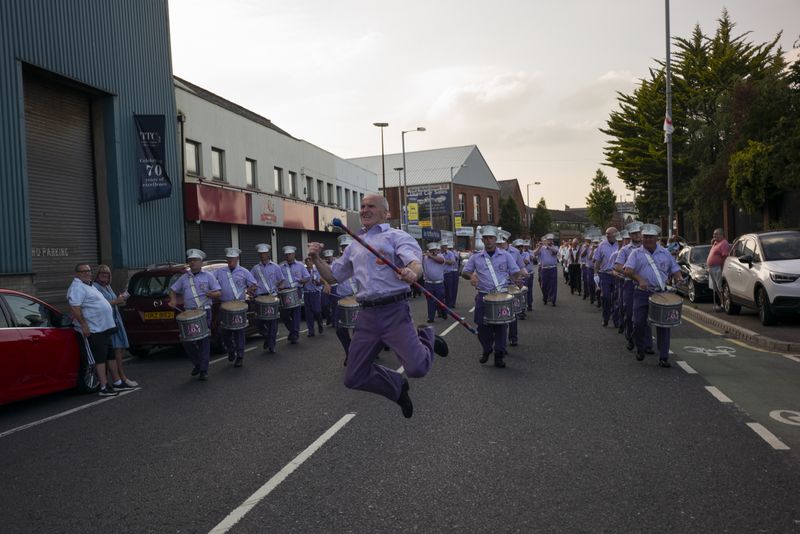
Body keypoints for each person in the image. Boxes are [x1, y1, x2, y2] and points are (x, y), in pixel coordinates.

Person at [307, 194, 448, 419]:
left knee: (417, 369)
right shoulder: (354, 244)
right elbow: (333, 277)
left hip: (395, 311)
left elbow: (414, 262)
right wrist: (316, 258)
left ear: (386, 213)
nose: (364, 210)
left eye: (371, 206)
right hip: (367, 315)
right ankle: (397, 386)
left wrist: (412, 272)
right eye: (362, 206)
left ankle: (427, 336)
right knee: (353, 377)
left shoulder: (396, 236)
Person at [461, 225, 523, 368]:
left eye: (491, 238)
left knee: (501, 327)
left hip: (501, 295)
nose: (488, 241)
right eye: (486, 238)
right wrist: (471, 276)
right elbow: (465, 272)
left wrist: (517, 279)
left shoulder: (505, 255)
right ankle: (487, 349)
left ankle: (499, 355)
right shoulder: (476, 257)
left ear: (495, 239)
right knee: (482, 327)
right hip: (483, 296)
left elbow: (515, 271)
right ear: (482, 240)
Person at [624, 224, 684, 367]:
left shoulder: (665, 253)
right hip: (642, 293)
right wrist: (639, 279)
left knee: (663, 325)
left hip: (661, 293)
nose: (647, 239)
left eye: (650, 237)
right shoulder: (636, 253)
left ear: (656, 238)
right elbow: (627, 270)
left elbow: (674, 268)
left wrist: (679, 278)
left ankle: (664, 357)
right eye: (645, 237)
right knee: (638, 323)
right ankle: (640, 348)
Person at [68, 263, 121, 396]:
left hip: (104, 327)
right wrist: (84, 324)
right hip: (95, 329)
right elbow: (75, 307)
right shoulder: (77, 287)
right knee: (100, 358)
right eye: (84, 271)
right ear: (77, 274)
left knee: (110, 355)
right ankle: (103, 387)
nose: (87, 273)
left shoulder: (88, 285)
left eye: (89, 270)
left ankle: (118, 382)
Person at [169, 249, 221, 380]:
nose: (192, 263)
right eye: (190, 260)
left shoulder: (208, 276)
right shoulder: (184, 278)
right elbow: (172, 290)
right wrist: (173, 299)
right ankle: (197, 363)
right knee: (187, 341)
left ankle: (203, 369)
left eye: (195, 260)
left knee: (203, 340)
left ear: (201, 262)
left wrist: (212, 294)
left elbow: (218, 292)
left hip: (204, 311)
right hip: (189, 313)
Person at [93, 265, 138, 389]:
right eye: (102, 273)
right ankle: (120, 378)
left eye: (107, 273)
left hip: (115, 320)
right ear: (97, 274)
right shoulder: (95, 287)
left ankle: (118, 379)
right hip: (107, 322)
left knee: (118, 350)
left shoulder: (107, 286)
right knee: (115, 351)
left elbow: (113, 301)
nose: (104, 275)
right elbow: (99, 305)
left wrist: (120, 299)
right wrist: (116, 301)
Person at [214, 248, 257, 367]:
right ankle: (231, 349)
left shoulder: (244, 271)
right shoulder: (220, 272)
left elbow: (254, 285)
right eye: (228, 258)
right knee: (223, 332)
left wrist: (250, 289)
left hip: (239, 305)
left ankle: (240, 356)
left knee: (239, 331)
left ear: (237, 259)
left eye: (232, 259)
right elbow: (210, 282)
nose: (230, 261)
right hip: (225, 306)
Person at [251, 243, 286, 354]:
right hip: (260, 297)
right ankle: (267, 337)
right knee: (259, 322)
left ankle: (272, 344)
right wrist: (252, 288)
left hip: (272, 297)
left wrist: (279, 286)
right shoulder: (255, 269)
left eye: (264, 253)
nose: (262, 255)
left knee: (273, 322)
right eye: (260, 254)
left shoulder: (275, 267)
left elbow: (282, 280)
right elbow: (251, 282)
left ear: (268, 254)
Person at [615, 223, 644, 352]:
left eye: (638, 233)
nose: (637, 235)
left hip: (645, 285)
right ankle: (631, 337)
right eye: (634, 233)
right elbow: (618, 267)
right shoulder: (625, 250)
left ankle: (645, 344)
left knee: (645, 315)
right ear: (630, 235)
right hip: (630, 284)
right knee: (630, 313)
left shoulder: (648, 248)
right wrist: (631, 273)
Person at [280, 245, 310, 344]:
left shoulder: (300, 265)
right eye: (286, 254)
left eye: (290, 254)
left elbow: (307, 277)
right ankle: (293, 331)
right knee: (285, 314)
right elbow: (279, 279)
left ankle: (295, 334)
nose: (288, 256)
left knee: (296, 313)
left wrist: (302, 281)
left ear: (294, 254)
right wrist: (280, 285)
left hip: (297, 290)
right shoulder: (281, 267)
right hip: (286, 292)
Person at [594, 227, 619, 326]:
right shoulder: (602, 245)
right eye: (606, 233)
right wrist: (596, 274)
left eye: (609, 233)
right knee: (606, 297)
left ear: (616, 234)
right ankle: (606, 318)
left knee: (617, 298)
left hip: (617, 275)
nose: (607, 235)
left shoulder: (620, 244)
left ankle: (616, 320)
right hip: (605, 275)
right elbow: (597, 261)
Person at [706, 228, 730, 312]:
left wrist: (721, 268)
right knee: (716, 288)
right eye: (714, 234)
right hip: (712, 268)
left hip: (718, 268)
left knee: (720, 287)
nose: (714, 235)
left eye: (716, 234)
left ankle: (724, 305)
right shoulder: (716, 243)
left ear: (721, 235)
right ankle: (721, 304)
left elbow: (725, 256)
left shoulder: (724, 243)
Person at [534, 233, 559, 306]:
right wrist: (539, 247)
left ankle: (553, 300)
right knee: (544, 285)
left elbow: (555, 252)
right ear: (546, 241)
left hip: (553, 268)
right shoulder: (541, 248)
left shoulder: (555, 247)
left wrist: (548, 246)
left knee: (553, 285)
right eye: (548, 240)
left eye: (551, 240)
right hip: (544, 269)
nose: (550, 241)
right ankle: (545, 298)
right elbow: (534, 254)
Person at [303, 256, 325, 337]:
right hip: (306, 293)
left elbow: (321, 282)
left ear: (312, 262)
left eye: (310, 261)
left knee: (317, 311)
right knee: (308, 313)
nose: (308, 263)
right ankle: (311, 331)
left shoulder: (316, 271)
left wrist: (318, 282)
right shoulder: (304, 271)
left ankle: (320, 323)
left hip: (315, 292)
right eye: (307, 262)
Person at [320, 249, 338, 325]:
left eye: (329, 257)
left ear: (332, 257)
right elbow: (320, 278)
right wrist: (326, 284)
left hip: (335, 286)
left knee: (335, 305)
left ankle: (334, 321)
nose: (328, 259)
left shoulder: (336, 264)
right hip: (325, 287)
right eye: (327, 257)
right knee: (324, 304)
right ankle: (329, 317)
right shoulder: (322, 265)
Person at [441, 241, 459, 309]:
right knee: (445, 290)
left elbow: (454, 260)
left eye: (445, 246)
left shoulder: (453, 253)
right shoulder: (441, 253)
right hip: (443, 273)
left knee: (452, 289)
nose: (445, 247)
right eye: (443, 246)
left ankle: (452, 303)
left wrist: (444, 260)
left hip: (453, 271)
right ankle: (447, 303)